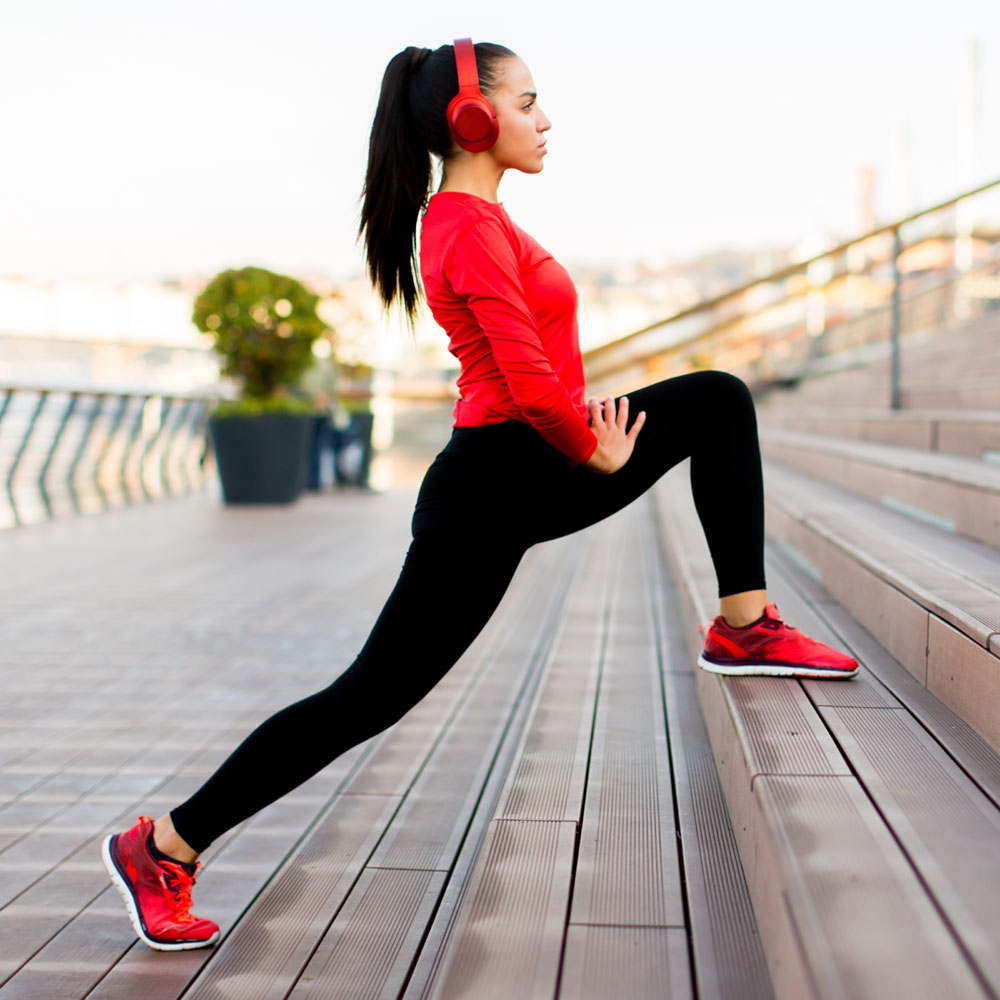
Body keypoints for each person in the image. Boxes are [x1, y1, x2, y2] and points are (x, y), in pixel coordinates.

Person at [100, 38, 858, 952]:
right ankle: (164, 844)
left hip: (524, 467)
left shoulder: (479, 220)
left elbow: (537, 378)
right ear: (471, 117)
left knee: (717, 403)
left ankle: (743, 621)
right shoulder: (461, 226)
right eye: (528, 102)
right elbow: (531, 385)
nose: (545, 120)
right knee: (367, 697)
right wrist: (598, 452)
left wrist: (585, 441)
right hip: (496, 484)